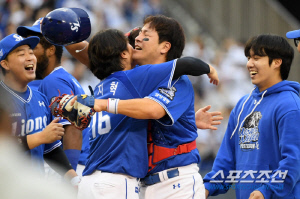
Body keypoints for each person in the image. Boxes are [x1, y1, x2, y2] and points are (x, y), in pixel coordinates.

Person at [62, 15, 222, 198]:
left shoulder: (176, 79)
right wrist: (59, 33)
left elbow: (153, 109)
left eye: (146, 34)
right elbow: (97, 53)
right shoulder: (130, 78)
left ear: (165, 46)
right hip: (139, 184)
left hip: (175, 183)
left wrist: (103, 103)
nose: (137, 38)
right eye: (133, 38)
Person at [203, 34, 300, 199]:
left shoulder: (290, 105)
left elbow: (294, 161)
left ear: (277, 62)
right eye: (248, 58)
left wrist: (267, 190)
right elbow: (227, 157)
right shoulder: (242, 104)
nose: (249, 64)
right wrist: (206, 188)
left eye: (256, 58)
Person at [0, 33, 79, 184]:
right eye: (21, 54)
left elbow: (50, 147)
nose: (30, 57)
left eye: (31, 52)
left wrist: (71, 176)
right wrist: (41, 137)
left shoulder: (40, 98)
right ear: (5, 64)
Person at [17, 16, 88, 174]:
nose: (30, 54)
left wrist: (70, 175)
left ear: (50, 50)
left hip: (66, 165)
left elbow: (73, 128)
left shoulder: (54, 81)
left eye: (34, 47)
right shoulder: (62, 78)